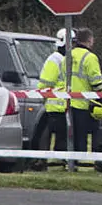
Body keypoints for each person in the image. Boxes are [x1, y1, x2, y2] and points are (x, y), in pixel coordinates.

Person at [69, 27, 102, 172]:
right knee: (87, 136)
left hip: (67, 102)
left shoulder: (69, 55)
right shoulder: (90, 57)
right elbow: (96, 82)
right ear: (90, 40)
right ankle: (85, 166)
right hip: (84, 104)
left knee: (72, 136)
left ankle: (72, 164)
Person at [36, 28, 74, 169]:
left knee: (61, 136)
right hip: (55, 105)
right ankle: (49, 162)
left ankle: (56, 162)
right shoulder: (55, 59)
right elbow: (45, 84)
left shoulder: (65, 59)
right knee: (55, 135)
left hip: (64, 105)